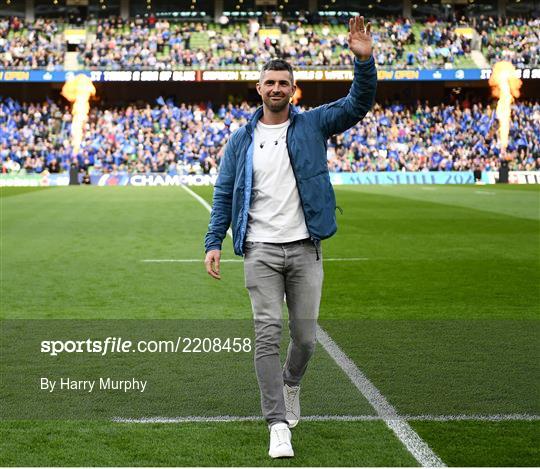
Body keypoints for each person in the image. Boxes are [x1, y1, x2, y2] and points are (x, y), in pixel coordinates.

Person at [204, 15, 376, 459]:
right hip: (259, 249)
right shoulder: (240, 141)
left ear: (292, 90)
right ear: (258, 89)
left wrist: (364, 62)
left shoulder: (313, 124)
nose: (277, 88)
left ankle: (292, 383)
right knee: (266, 333)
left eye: (284, 82)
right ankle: (277, 424)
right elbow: (224, 193)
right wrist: (212, 242)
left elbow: (358, 104)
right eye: (270, 82)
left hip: (305, 249)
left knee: (305, 339)